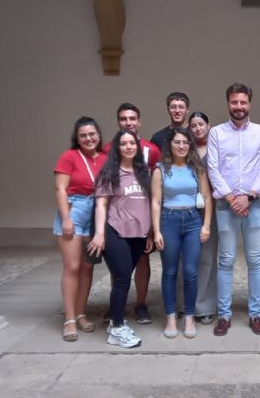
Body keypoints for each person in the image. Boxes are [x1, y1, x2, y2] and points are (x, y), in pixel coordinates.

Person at [207, 82, 260, 336]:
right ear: (228, 104)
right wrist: (232, 198)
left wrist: (248, 196)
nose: (238, 106)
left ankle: (255, 314)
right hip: (226, 206)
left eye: (242, 102)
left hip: (254, 206)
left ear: (249, 104)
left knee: (255, 261)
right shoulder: (216, 133)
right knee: (226, 261)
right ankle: (224, 315)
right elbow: (213, 168)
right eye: (234, 102)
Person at [89, 130, 153, 348]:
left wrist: (151, 232)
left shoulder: (144, 171)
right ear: (117, 147)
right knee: (122, 278)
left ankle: (115, 322)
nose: (128, 146)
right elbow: (101, 204)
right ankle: (117, 328)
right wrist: (99, 234)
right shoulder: (110, 172)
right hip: (115, 230)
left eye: (132, 143)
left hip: (139, 234)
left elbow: (150, 204)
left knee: (124, 277)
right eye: (123, 143)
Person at [151, 128, 213, 338]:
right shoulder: (160, 169)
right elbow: (156, 201)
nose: (182, 146)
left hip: (193, 221)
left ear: (190, 146)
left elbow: (207, 196)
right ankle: (170, 317)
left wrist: (206, 225)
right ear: (170, 145)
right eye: (177, 142)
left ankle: (188, 316)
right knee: (169, 271)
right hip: (168, 220)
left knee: (190, 271)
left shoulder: (197, 168)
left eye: (186, 143)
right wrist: (156, 230)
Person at [53, 116, 107, 342]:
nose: (88, 138)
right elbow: (60, 189)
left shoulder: (105, 158)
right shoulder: (69, 157)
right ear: (77, 137)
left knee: (87, 267)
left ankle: (81, 313)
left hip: (97, 210)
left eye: (92, 134)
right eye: (83, 135)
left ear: (98, 135)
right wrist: (66, 218)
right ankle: (69, 319)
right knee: (72, 266)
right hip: (75, 210)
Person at [113, 102, 160, 324]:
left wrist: (152, 226)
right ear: (118, 122)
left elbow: (156, 186)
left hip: (142, 215)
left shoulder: (152, 149)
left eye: (132, 119)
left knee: (142, 259)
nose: (128, 123)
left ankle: (140, 304)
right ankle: (117, 304)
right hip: (119, 216)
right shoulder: (108, 149)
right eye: (124, 119)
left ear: (139, 122)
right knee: (118, 262)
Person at [189, 111, 218, 325]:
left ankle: (205, 306)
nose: (198, 128)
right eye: (194, 125)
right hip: (186, 210)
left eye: (201, 124)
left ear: (208, 126)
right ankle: (184, 305)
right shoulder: (182, 148)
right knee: (185, 259)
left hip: (211, 208)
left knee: (207, 258)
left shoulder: (218, 149)